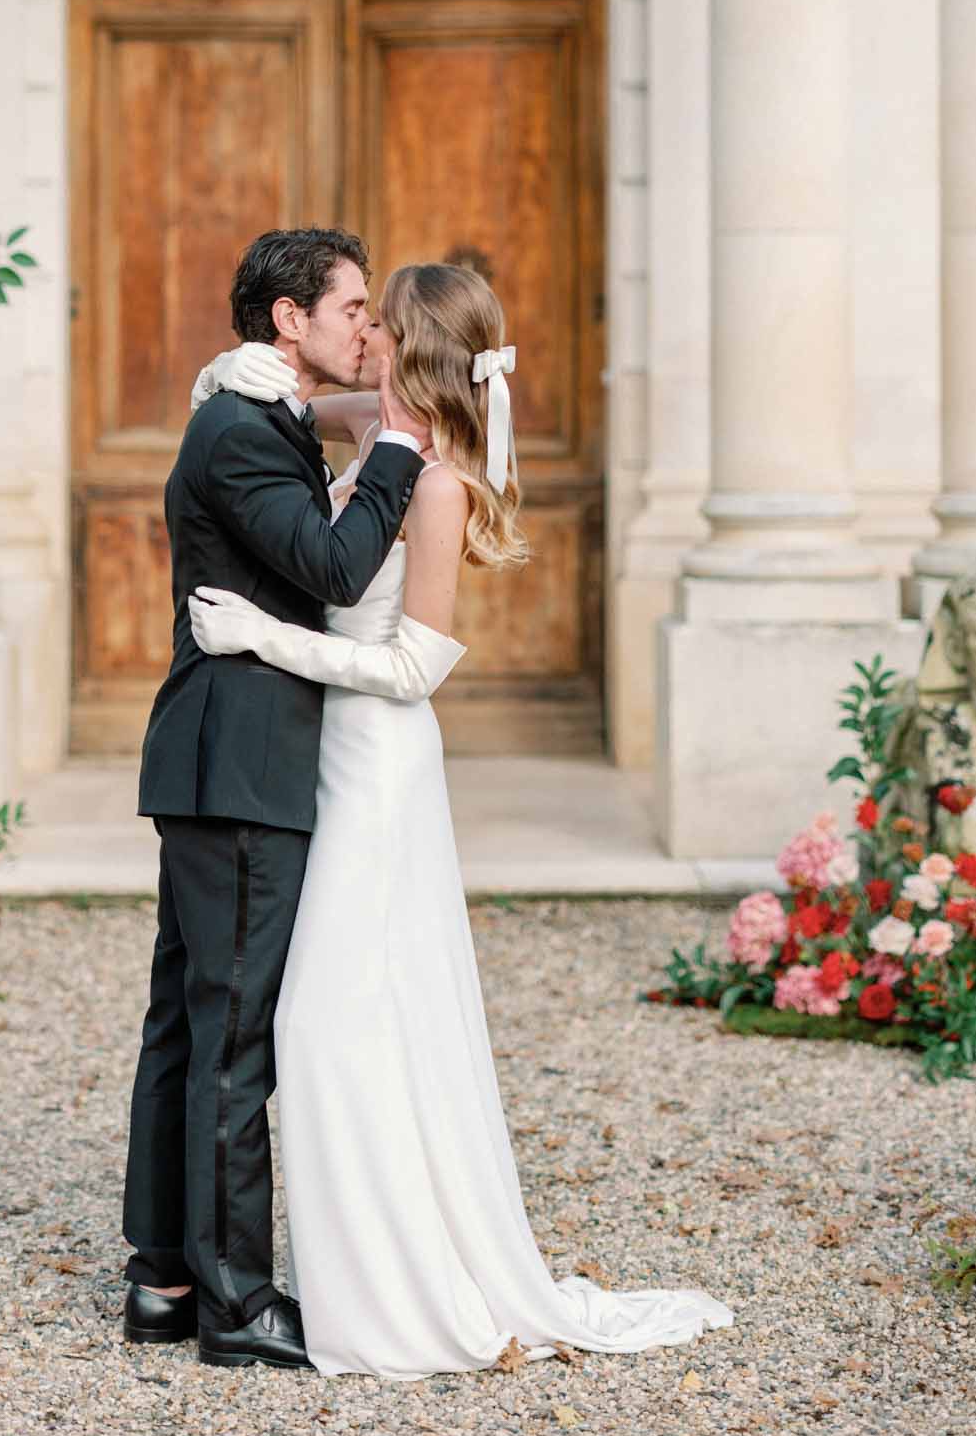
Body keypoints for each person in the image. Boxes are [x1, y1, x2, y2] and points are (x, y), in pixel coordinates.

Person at [188, 261, 733, 1377]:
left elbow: (417, 664)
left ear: (410, 347)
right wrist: (221, 366)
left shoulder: (434, 479)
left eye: (377, 326)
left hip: (377, 766)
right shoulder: (372, 420)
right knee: (332, 1026)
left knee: (333, 1024)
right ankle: (361, 1269)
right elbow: (273, 405)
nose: (361, 339)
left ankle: (397, 1287)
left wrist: (261, 635)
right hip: (323, 760)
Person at [121, 227, 427, 1370]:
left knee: (189, 1026)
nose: (371, 326)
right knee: (232, 1039)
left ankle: (163, 1279)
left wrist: (348, 404)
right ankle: (235, 1304)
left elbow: (321, 427)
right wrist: (398, 441)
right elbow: (335, 567)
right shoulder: (242, 431)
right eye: (352, 307)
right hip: (241, 766)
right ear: (289, 319)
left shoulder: (252, 410)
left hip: (219, 760)